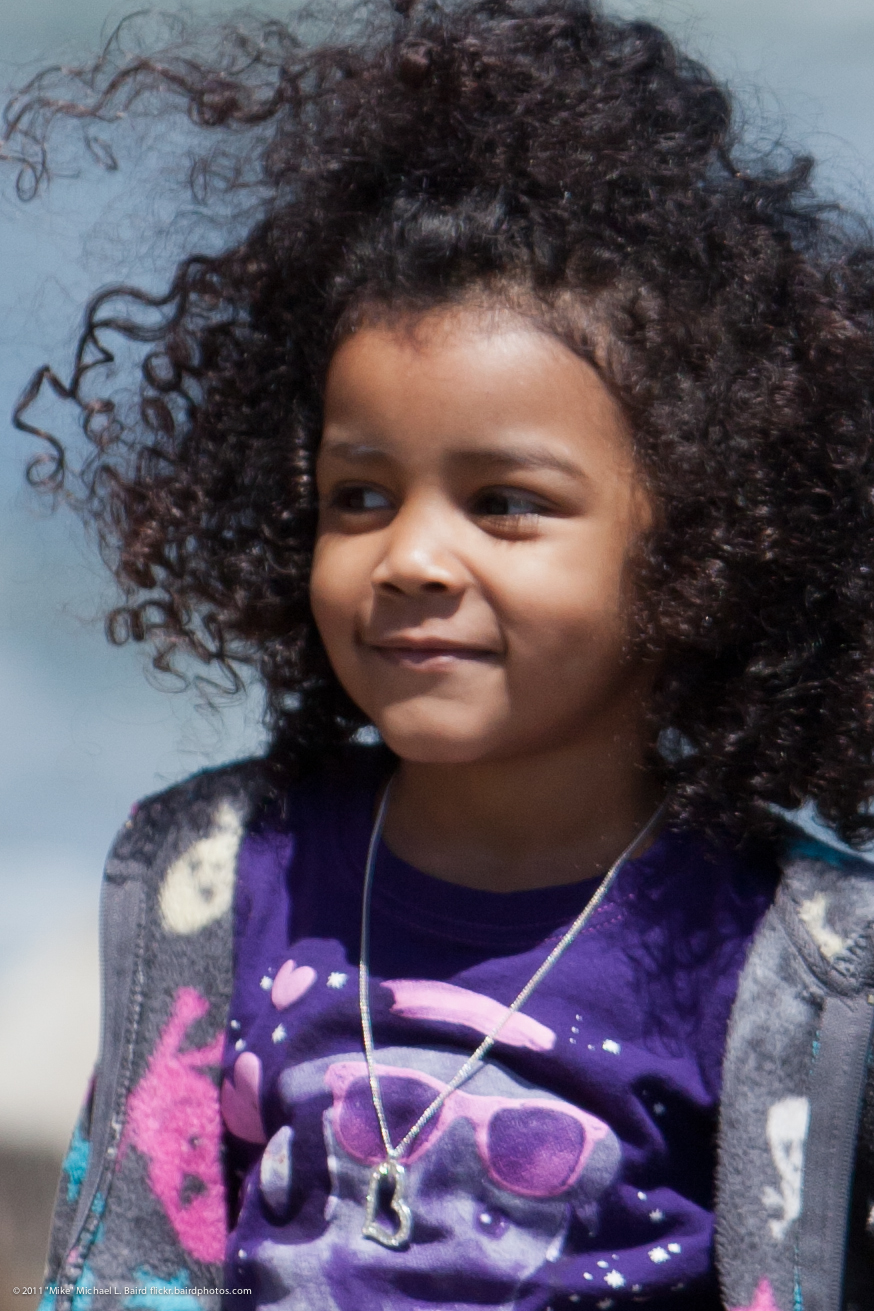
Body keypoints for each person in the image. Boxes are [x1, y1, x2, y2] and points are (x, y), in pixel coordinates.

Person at [7, 1, 874, 1308]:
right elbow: (126, 1261)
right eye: (358, 498)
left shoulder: (794, 954)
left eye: (503, 502)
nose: (408, 556)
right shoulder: (218, 880)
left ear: (704, 546)